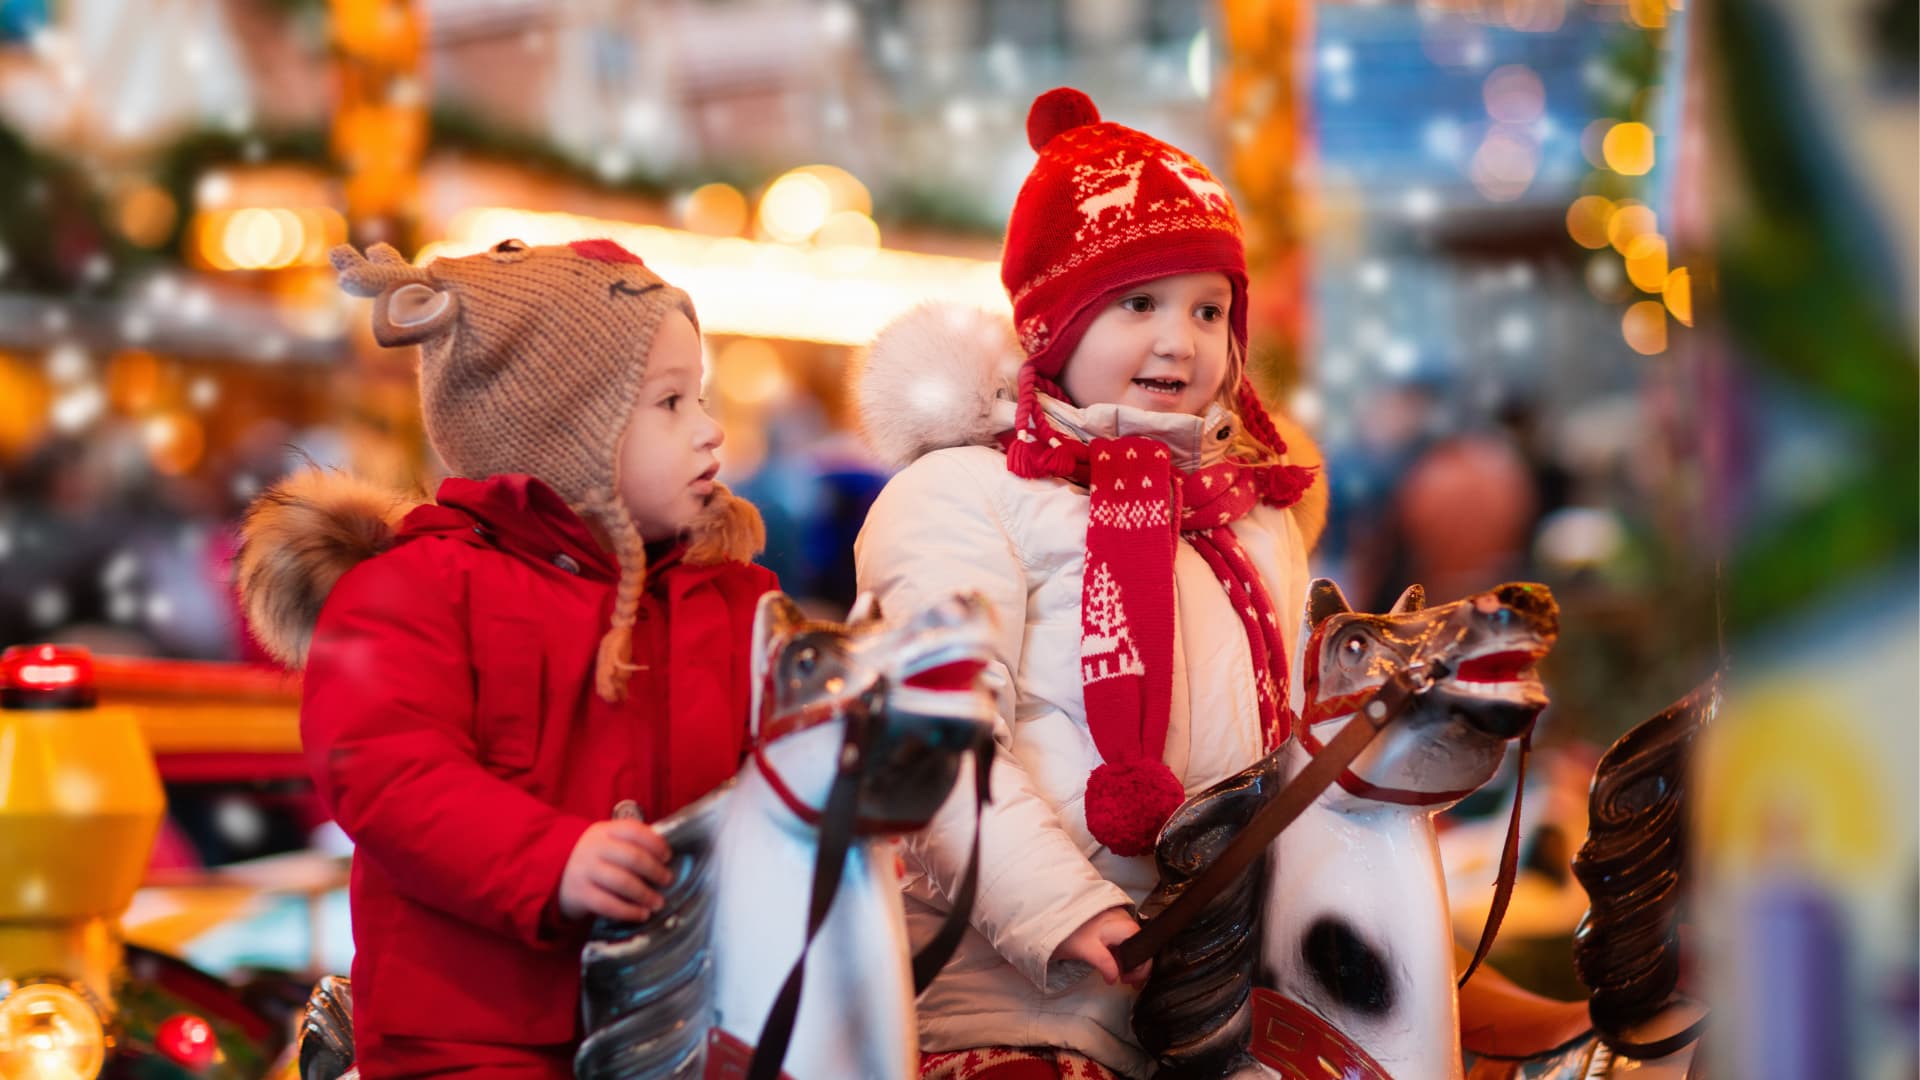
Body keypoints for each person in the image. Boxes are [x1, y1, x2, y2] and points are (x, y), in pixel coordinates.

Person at [852, 89, 1328, 1078]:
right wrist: (1062, 909)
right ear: (1051, 328)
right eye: (1139, 304)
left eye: (1208, 309)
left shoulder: (1252, 514)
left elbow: (1289, 734)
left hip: (1225, 977)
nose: (1179, 341)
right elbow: (932, 743)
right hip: (1015, 992)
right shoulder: (965, 495)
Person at [236, 238, 774, 1076]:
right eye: (669, 403)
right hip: (476, 1034)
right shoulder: (417, 589)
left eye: (698, 396)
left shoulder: (728, 597)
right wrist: (551, 859)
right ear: (565, 431)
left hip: (690, 1015)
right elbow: (388, 772)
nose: (709, 430)